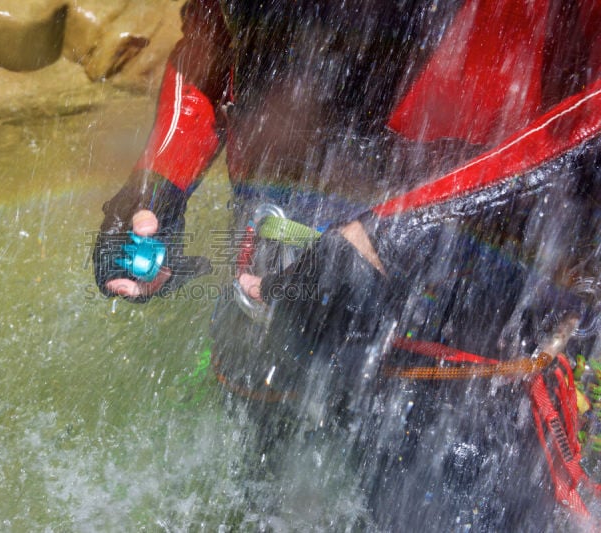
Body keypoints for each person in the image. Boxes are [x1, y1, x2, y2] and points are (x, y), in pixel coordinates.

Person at [93, 0, 601, 529]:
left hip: (467, 354)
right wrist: (160, 181)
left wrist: (391, 244)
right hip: (271, 314)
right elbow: (217, 31)